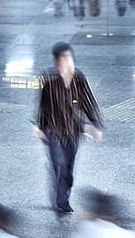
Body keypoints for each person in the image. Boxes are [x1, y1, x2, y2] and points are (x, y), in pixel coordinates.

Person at [33, 42, 103, 214]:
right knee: (60, 164)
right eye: (64, 60)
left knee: (68, 168)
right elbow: (43, 106)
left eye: (70, 59)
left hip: (73, 131)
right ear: (57, 62)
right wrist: (40, 127)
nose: (68, 64)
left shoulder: (79, 79)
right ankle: (61, 201)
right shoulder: (49, 80)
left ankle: (63, 193)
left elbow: (88, 103)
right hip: (54, 131)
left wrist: (95, 124)